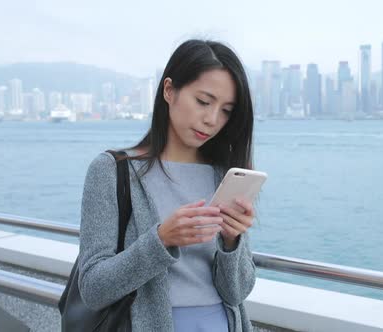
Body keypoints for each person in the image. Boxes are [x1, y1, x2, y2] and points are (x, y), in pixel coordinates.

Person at [77, 39, 257, 331]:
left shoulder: (223, 176)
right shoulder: (113, 170)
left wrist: (231, 242)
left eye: (226, 110)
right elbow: (93, 288)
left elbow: (237, 293)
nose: (212, 120)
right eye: (203, 101)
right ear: (169, 91)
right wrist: (161, 239)